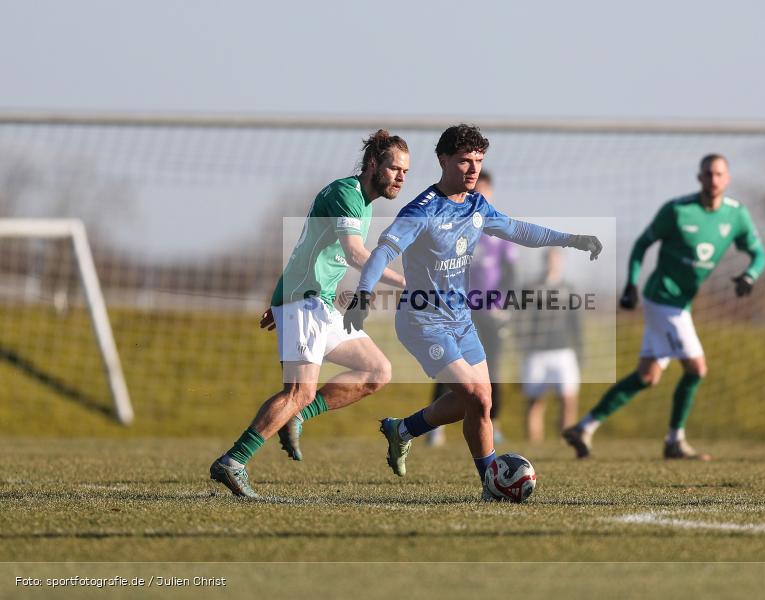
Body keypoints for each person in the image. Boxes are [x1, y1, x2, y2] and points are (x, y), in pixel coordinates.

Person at [343, 124, 601, 499]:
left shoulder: (478, 205)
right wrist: (363, 296)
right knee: (477, 396)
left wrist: (571, 239)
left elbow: (518, 230)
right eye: (465, 160)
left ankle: (403, 430)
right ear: (443, 160)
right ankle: (491, 482)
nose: (473, 169)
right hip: (422, 320)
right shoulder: (422, 210)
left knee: (481, 402)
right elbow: (383, 251)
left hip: (461, 319)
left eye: (478, 161)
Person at [209, 130, 409, 498]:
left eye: (405, 172)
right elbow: (353, 254)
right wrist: (405, 282)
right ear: (372, 165)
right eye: (394, 168)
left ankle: (298, 416)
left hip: (318, 302)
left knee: (377, 371)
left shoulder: (363, 202)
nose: (400, 177)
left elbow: (310, 251)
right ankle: (233, 461)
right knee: (299, 390)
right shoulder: (346, 194)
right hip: (306, 301)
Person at [564, 154, 765, 461]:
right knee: (697, 369)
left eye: (719, 174)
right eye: (708, 174)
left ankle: (584, 426)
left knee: (647, 376)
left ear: (727, 179)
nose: (713, 180)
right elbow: (641, 244)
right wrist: (631, 283)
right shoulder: (677, 210)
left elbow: (759, 254)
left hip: (681, 304)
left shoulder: (737, 215)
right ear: (699, 178)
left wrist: (750, 276)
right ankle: (675, 440)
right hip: (662, 298)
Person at [427, 170, 517, 446]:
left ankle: (493, 421)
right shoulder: (453, 225)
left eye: (486, 191)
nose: (481, 195)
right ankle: (435, 427)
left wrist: (503, 305)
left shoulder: (499, 228)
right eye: (477, 190)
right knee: (449, 364)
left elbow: (510, 271)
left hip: (490, 310)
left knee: (492, 367)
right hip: (458, 309)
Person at [519, 247, 582, 442]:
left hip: (563, 351)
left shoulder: (569, 288)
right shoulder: (531, 288)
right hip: (537, 353)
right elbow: (521, 319)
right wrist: (524, 345)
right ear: (544, 261)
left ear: (561, 262)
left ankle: (565, 441)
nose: (552, 262)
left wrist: (580, 352)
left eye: (556, 259)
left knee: (568, 399)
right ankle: (534, 444)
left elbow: (576, 324)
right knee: (535, 401)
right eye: (549, 259)